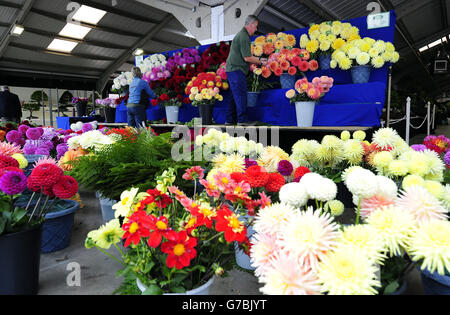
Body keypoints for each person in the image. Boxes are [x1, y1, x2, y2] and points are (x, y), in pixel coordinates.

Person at [225, 15, 267, 126]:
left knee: (233, 96)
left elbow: (246, 56)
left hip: (231, 69)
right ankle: (242, 121)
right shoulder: (244, 36)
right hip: (236, 69)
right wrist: (261, 62)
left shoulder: (241, 35)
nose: (256, 29)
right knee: (240, 95)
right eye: (256, 27)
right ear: (251, 24)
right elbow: (247, 58)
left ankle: (229, 120)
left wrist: (258, 59)